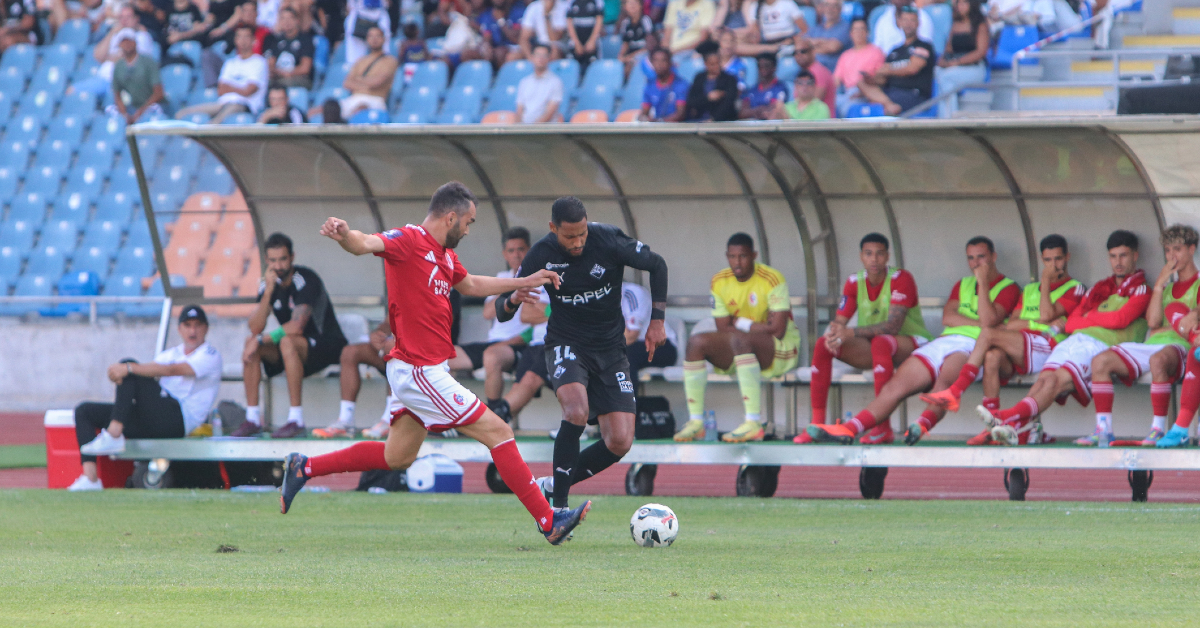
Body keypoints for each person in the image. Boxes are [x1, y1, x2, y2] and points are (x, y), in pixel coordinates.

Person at [282, 182, 590, 546]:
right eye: (469, 222)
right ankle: (548, 520)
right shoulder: (409, 240)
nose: (469, 230)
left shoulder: (444, 254)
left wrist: (522, 281)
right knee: (499, 431)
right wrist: (346, 235)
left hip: (421, 370)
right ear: (451, 217)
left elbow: (471, 284)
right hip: (419, 371)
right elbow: (365, 243)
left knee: (396, 457)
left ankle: (304, 466)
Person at [494, 196, 669, 512]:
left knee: (620, 441)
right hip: (566, 343)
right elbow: (501, 309)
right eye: (569, 236)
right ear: (553, 228)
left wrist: (657, 321)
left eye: (582, 234)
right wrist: (513, 300)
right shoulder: (542, 254)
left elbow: (657, 265)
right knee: (576, 411)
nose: (577, 242)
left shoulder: (608, 239)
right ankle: (559, 510)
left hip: (611, 350)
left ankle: (551, 486)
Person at [808, 236, 1021, 445]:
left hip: (974, 345)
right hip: (943, 341)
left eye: (981, 257)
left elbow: (988, 319)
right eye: (971, 258)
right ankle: (849, 428)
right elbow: (948, 317)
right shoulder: (963, 284)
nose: (975, 263)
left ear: (993, 257)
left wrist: (982, 284)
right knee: (894, 388)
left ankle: (921, 425)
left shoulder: (1009, 287)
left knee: (944, 384)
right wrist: (982, 323)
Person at [978, 230, 1149, 448]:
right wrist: (1096, 319)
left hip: (1100, 346)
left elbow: (1120, 319)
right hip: (1074, 341)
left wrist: (1090, 317)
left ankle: (1008, 417)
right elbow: (1070, 324)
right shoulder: (1099, 289)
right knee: (1044, 380)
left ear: (1135, 256)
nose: (1118, 262)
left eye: (1123, 255)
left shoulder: (1142, 289)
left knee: (1055, 382)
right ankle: (1020, 428)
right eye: (1113, 256)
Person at [920, 234, 1084, 445]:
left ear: (1067, 257)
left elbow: (1045, 313)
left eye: (1058, 259)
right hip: (1022, 343)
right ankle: (992, 428)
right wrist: (1039, 322)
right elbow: (1012, 324)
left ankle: (956, 390)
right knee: (992, 357)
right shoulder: (1030, 289)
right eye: (1048, 260)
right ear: (1041, 259)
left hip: (1048, 346)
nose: (1053, 266)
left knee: (988, 333)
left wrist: (1044, 282)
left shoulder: (1075, 287)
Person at [69, 306, 222, 491]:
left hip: (179, 420)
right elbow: (148, 370)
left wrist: (127, 369)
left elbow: (172, 370)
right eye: (188, 325)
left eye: (197, 325)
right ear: (179, 329)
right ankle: (91, 480)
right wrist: (119, 373)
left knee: (130, 367)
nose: (193, 331)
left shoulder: (210, 355)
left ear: (206, 328)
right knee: (84, 410)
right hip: (156, 418)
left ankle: (114, 433)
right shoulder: (171, 353)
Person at [801, 233, 930, 444]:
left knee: (882, 341)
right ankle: (816, 425)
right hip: (879, 348)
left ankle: (883, 428)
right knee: (823, 345)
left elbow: (893, 326)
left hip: (913, 345)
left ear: (887, 256)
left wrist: (850, 333)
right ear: (861, 256)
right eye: (868, 254)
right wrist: (835, 335)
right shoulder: (855, 281)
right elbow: (840, 322)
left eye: (879, 254)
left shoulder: (901, 278)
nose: (874, 259)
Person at [675, 232, 801, 443]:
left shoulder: (772, 278)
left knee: (741, 340)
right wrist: (762, 326)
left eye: (743, 256)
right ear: (727, 256)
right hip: (741, 348)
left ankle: (753, 423)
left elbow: (778, 330)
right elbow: (722, 328)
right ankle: (696, 422)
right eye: (732, 257)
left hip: (781, 349)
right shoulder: (719, 281)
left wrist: (741, 323)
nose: (737, 262)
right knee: (696, 343)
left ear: (754, 255)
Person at [1088, 225, 1198, 447]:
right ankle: (1103, 429)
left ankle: (1158, 429)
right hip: (1153, 344)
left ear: (1191, 249)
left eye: (1177, 249)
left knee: (1157, 360)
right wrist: (1159, 284)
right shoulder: (1166, 289)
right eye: (1168, 250)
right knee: (1100, 361)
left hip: (1180, 348)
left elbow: (1189, 326)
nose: (1172, 256)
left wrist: (1169, 328)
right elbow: (1153, 323)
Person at [235, 232, 348, 439]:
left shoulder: (305, 279)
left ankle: (296, 420)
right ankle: (252, 419)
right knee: (251, 343)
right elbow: (255, 328)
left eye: (283, 259)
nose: (278, 266)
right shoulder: (268, 285)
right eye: (273, 260)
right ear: (267, 260)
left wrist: (260, 339)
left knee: (284, 342)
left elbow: (296, 326)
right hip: (295, 349)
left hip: (327, 345)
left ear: (292, 257)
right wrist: (268, 292)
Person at [451, 228, 534, 411]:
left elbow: (542, 323)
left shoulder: (538, 280)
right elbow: (488, 313)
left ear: (529, 250)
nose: (516, 255)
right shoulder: (502, 278)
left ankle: (495, 413)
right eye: (511, 251)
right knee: (442, 357)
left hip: (520, 344)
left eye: (521, 249)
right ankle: (449, 412)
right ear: (505, 254)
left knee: (492, 356)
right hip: (494, 342)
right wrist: (512, 285)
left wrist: (521, 282)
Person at [312, 315, 396, 438]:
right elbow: (388, 323)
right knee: (350, 352)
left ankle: (390, 419)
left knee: (392, 348)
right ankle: (346, 421)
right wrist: (377, 335)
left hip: (420, 356)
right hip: (397, 350)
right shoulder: (401, 301)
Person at [177, 25, 269, 122]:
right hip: (222, 104)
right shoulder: (230, 63)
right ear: (235, 40)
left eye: (246, 37)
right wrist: (240, 88)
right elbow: (221, 90)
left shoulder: (259, 62)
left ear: (253, 40)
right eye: (239, 36)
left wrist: (229, 87)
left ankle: (210, 128)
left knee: (215, 123)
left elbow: (248, 91)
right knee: (182, 114)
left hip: (245, 106)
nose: (243, 40)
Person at [855, 6, 934, 115]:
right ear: (899, 22)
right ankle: (888, 104)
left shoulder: (924, 46)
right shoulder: (895, 51)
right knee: (861, 84)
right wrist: (872, 79)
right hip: (890, 92)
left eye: (912, 20)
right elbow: (883, 79)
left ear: (918, 23)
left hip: (913, 94)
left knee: (873, 105)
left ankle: (887, 105)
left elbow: (912, 68)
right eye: (905, 20)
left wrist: (888, 70)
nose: (908, 24)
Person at [936, 0, 988, 116]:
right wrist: (943, 61)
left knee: (946, 78)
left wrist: (958, 62)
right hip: (955, 66)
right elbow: (949, 48)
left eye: (964, 3)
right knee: (938, 72)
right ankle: (946, 115)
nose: (960, 6)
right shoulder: (955, 24)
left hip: (974, 68)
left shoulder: (980, 25)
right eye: (959, 3)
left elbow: (980, 52)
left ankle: (949, 118)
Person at [624, 281, 678, 383]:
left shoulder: (633, 293)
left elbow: (630, 337)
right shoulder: (593, 299)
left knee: (623, 355)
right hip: (631, 346)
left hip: (662, 345)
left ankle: (627, 394)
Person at [338, 25, 398, 117]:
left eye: (378, 36)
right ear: (367, 39)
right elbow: (347, 83)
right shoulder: (361, 61)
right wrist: (367, 83)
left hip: (375, 100)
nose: (374, 39)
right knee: (327, 108)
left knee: (360, 109)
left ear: (384, 39)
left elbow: (377, 82)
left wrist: (357, 80)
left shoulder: (390, 61)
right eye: (371, 36)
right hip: (354, 99)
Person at [109, 29, 165, 124]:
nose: (127, 44)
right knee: (110, 111)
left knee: (154, 110)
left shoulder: (148, 62)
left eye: (129, 41)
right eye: (123, 42)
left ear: (135, 42)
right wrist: (124, 114)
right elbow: (117, 94)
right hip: (131, 107)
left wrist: (140, 112)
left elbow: (159, 93)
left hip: (149, 106)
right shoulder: (118, 66)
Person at [833, 18, 885, 105]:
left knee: (848, 107)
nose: (859, 33)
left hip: (867, 92)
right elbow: (836, 80)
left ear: (867, 33)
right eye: (856, 30)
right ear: (851, 34)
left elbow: (880, 78)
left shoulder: (876, 52)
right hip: (847, 92)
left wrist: (863, 92)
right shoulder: (845, 55)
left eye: (862, 29)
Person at [684, 40, 739, 121]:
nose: (716, 67)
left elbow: (729, 103)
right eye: (712, 64)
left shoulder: (729, 79)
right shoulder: (699, 78)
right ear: (706, 64)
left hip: (722, 121)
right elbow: (692, 100)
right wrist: (708, 98)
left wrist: (713, 119)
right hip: (699, 120)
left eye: (718, 63)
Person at [516, 44, 565, 123]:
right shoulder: (524, 82)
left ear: (549, 58)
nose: (541, 58)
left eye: (544, 55)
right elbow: (519, 109)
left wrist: (534, 128)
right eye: (538, 55)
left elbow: (550, 112)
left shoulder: (556, 82)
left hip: (545, 128)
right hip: (524, 127)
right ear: (532, 57)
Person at [265, 7, 314, 88]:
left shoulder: (305, 40)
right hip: (279, 77)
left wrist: (287, 73)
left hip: (299, 78)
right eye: (283, 18)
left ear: (297, 20)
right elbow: (271, 63)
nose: (287, 22)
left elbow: (305, 68)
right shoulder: (276, 40)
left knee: (281, 84)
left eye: (290, 18)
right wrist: (276, 72)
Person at [739, 0, 806, 56]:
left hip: (788, 40)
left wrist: (793, 40)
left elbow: (804, 29)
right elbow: (754, 32)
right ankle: (774, 48)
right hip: (767, 43)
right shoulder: (756, 6)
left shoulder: (787, 3)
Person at [639, 47, 689, 121]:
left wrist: (659, 121)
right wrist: (642, 118)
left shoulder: (681, 85)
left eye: (663, 60)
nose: (659, 64)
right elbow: (644, 112)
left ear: (670, 63)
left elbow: (680, 114)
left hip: (676, 126)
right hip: (658, 125)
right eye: (655, 60)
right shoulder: (650, 85)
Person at [738, 52, 788, 119]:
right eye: (760, 66)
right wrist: (757, 110)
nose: (763, 68)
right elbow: (742, 113)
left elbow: (776, 109)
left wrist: (754, 111)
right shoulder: (752, 90)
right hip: (751, 123)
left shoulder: (780, 87)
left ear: (774, 67)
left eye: (766, 65)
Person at [794, 36, 835, 115]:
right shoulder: (803, 72)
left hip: (819, 119)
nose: (799, 55)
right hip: (805, 119)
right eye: (795, 53)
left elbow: (813, 103)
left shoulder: (818, 71)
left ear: (812, 52)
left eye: (803, 51)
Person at [477, 0, 526, 66]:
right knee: (474, 53)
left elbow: (515, 39)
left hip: (516, 47)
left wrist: (501, 21)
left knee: (500, 53)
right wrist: (487, 47)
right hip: (497, 49)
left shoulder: (517, 11)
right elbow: (486, 36)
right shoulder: (488, 14)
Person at [807, 0, 851, 71]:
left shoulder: (846, 27)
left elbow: (833, 47)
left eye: (834, 6)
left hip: (832, 70)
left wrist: (812, 46)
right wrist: (825, 42)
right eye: (827, 5)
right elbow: (803, 43)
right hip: (811, 69)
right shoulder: (817, 28)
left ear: (840, 9)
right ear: (823, 8)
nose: (830, 9)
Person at [344, 0, 392, 65]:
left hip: (379, 14)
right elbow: (349, 7)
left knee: (383, 57)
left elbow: (388, 3)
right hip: (358, 14)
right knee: (354, 60)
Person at [617, 0, 653, 77]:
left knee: (631, 66)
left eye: (635, 3)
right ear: (625, 7)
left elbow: (649, 45)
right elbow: (625, 43)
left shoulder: (646, 20)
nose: (632, 6)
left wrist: (631, 56)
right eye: (629, 4)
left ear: (641, 6)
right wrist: (621, 56)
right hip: (630, 54)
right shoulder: (625, 23)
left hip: (644, 53)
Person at [566, 0, 604, 70]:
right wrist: (577, 43)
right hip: (576, 41)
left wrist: (592, 41)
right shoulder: (571, 2)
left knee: (593, 67)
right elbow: (569, 23)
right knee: (572, 66)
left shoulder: (597, 1)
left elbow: (599, 20)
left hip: (592, 41)